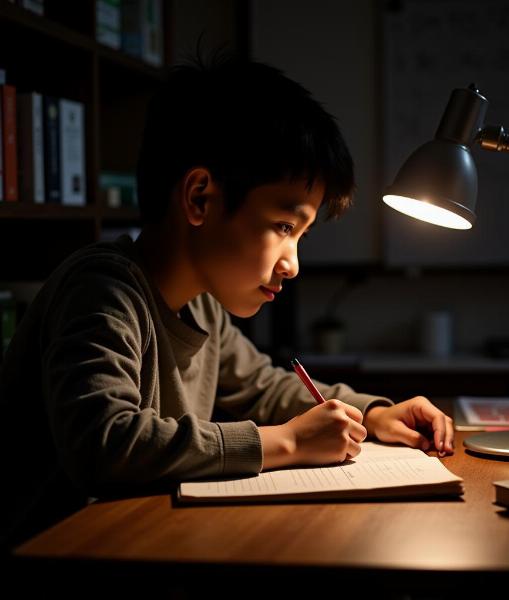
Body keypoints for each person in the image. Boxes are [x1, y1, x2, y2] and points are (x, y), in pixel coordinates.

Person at [0, 50, 453, 550]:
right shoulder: (101, 289)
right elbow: (105, 443)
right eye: (284, 227)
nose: (293, 264)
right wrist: (288, 442)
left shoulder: (201, 305)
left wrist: (371, 414)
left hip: (130, 548)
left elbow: (262, 389)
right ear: (199, 198)